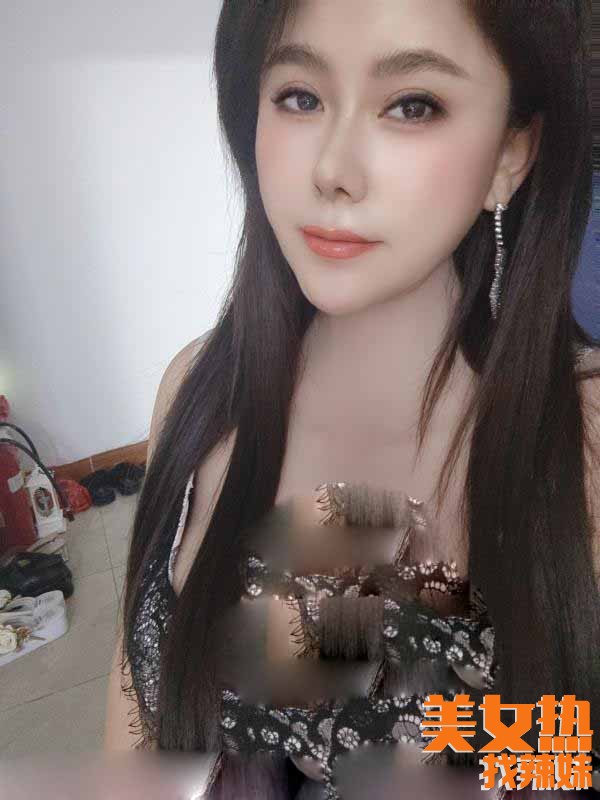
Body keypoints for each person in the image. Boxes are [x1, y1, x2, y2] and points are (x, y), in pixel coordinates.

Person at [104, 1, 600, 797]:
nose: (333, 169)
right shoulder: (197, 391)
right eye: (299, 96)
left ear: (512, 152)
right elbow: (132, 728)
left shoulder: (583, 435)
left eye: (413, 105)